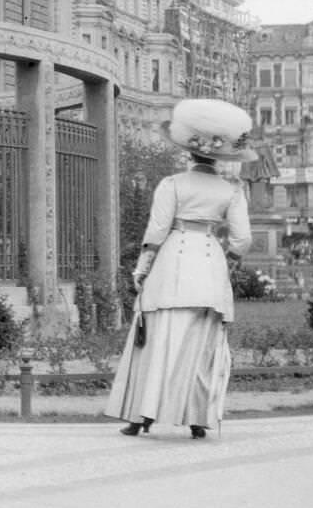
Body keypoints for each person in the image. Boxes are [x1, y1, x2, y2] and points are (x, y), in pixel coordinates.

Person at [105, 98, 254, 440]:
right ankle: (198, 418)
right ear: (220, 157)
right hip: (209, 264)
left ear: (188, 152)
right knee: (203, 344)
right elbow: (243, 240)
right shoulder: (231, 190)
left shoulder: (172, 184)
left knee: (158, 339)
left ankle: (143, 416)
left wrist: (141, 269)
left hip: (173, 261)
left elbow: (156, 232)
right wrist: (226, 262)